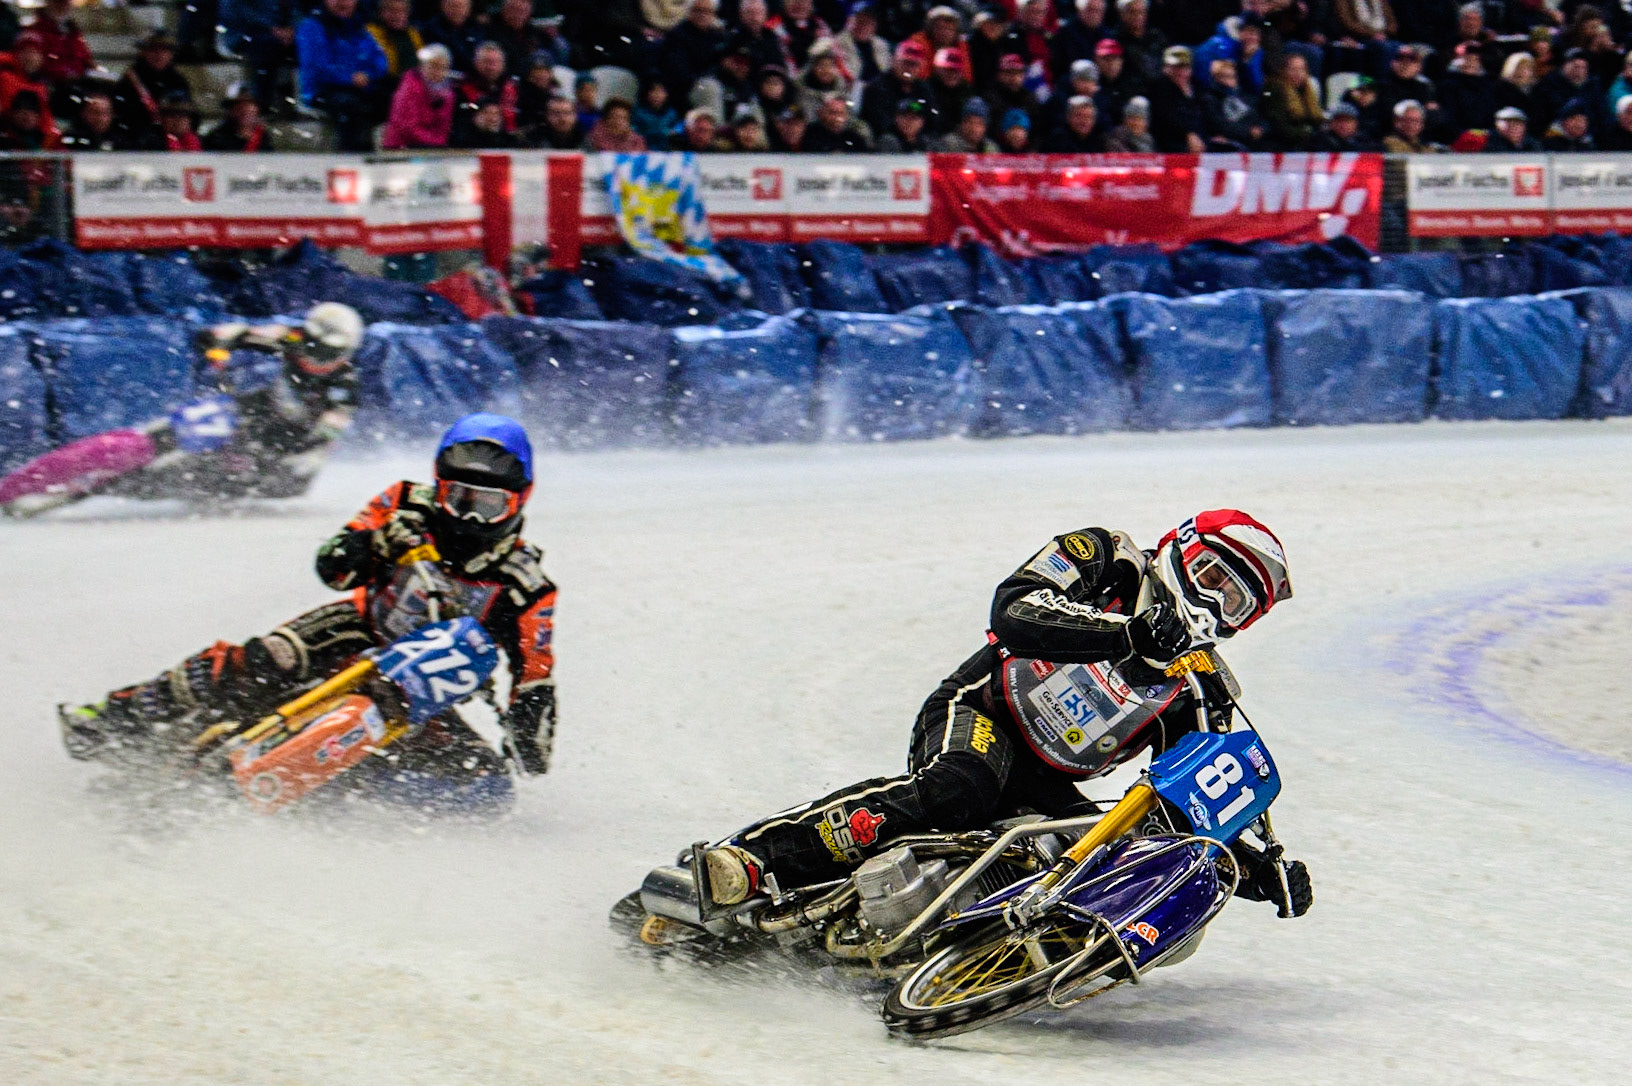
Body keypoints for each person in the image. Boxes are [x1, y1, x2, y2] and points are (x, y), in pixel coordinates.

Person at [697, 513, 1311, 923]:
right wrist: (1127, 635)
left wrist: (1254, 871)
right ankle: (754, 860)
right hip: (981, 709)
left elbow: (1189, 803)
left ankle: (968, 947)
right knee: (963, 786)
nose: (1214, 605)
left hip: (1046, 781)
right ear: (1181, 549)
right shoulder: (1106, 557)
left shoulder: (1199, 683)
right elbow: (1012, 609)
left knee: (1109, 860)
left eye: (1237, 603)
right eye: (1213, 579)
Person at [61, 411, 559, 789]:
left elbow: (535, 671)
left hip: (417, 690)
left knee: (484, 785)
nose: (469, 519)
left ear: (520, 500)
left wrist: (529, 719)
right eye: (458, 500)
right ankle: (118, 718)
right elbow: (333, 568)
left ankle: (331, 793)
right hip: (357, 628)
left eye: (488, 505)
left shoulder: (525, 583)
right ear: (438, 487)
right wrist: (378, 543)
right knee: (259, 661)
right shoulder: (404, 502)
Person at [296, 0, 389, 151]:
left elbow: (379, 60)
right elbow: (317, 66)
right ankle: (350, 156)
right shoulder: (312, 26)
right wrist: (349, 78)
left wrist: (368, 75)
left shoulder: (359, 28)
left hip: (358, 88)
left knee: (392, 99)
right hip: (323, 89)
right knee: (349, 106)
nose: (342, 2)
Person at [112, 32, 192, 151]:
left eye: (164, 51)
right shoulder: (130, 81)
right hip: (138, 137)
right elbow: (123, 114)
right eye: (154, 50)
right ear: (143, 52)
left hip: (174, 136)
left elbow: (189, 112)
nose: (159, 55)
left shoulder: (178, 81)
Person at [382, 42, 454, 149]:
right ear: (422, 67)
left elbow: (444, 128)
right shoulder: (409, 88)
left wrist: (439, 143)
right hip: (401, 148)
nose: (438, 72)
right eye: (433, 66)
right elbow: (408, 128)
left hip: (433, 148)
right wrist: (435, 143)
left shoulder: (447, 94)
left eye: (443, 68)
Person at [860, 40, 932, 140]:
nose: (909, 68)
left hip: (917, 137)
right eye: (905, 63)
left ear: (921, 67)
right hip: (884, 138)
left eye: (914, 64)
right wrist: (905, 129)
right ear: (894, 61)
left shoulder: (923, 88)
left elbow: (931, 117)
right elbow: (877, 121)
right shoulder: (878, 86)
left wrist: (916, 129)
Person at [453, 41, 518, 146]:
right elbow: (464, 114)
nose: (491, 67)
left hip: (509, 145)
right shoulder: (463, 88)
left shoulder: (512, 89)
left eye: (495, 62)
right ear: (476, 63)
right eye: (487, 62)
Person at [1148, 44, 1204, 152]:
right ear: (1166, 68)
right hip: (1170, 144)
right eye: (1176, 67)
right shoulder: (1159, 88)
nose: (1180, 72)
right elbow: (1166, 118)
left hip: (1200, 140)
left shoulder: (1197, 88)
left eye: (1184, 67)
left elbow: (1203, 115)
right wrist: (1188, 134)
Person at [1261, 51, 1321, 150]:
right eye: (1293, 69)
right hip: (1282, 143)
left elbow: (1314, 118)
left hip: (1304, 139)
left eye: (1302, 69)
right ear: (1283, 71)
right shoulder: (1272, 90)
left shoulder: (1306, 90)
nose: (1298, 74)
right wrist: (1308, 135)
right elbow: (1279, 125)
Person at [1202, 55, 1265, 149]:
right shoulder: (1210, 99)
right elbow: (1220, 125)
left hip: (1254, 140)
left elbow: (1259, 116)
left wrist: (1260, 129)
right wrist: (1249, 131)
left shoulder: (1244, 97)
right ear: (1215, 79)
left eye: (1232, 77)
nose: (1229, 81)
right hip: (1233, 142)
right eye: (1225, 77)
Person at [366, 0, 425, 97]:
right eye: (392, 10)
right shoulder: (371, 33)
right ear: (382, 12)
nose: (397, 15)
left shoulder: (413, 34)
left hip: (413, 86)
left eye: (402, 11)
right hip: (383, 86)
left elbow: (422, 62)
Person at [834, 1, 891, 88]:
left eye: (869, 22)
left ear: (875, 25)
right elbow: (845, 78)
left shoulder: (881, 45)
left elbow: (887, 73)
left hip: (879, 92)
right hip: (850, 91)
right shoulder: (837, 44)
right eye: (860, 20)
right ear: (850, 20)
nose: (864, 26)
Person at [416, 0, 483, 74]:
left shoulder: (476, 28)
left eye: (462, 6)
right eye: (453, 6)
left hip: (472, 79)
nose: (458, 10)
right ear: (443, 6)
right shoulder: (430, 30)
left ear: (469, 8)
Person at [202, 83, 274, 151]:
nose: (244, 110)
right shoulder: (215, 140)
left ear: (258, 110)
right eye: (238, 105)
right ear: (230, 110)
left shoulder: (264, 138)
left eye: (250, 105)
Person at [60, 90, 125, 151]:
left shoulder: (121, 142)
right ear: (83, 113)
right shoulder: (69, 141)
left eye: (105, 113)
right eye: (95, 112)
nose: (100, 118)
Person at [805, 92, 872, 150]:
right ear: (822, 113)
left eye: (841, 113)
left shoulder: (854, 137)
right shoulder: (810, 134)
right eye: (833, 113)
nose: (837, 118)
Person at [632, 78, 680, 150]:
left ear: (667, 94)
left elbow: (677, 129)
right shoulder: (638, 112)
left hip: (666, 151)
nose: (657, 95)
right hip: (643, 149)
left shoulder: (671, 113)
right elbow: (634, 130)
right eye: (653, 91)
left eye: (661, 91)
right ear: (647, 93)